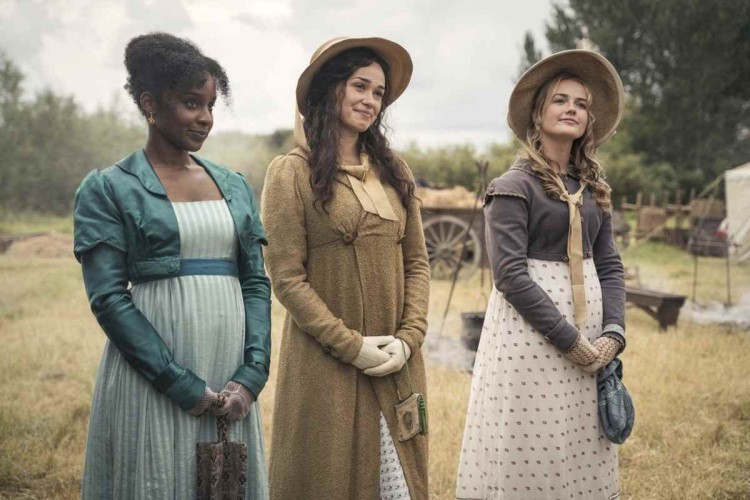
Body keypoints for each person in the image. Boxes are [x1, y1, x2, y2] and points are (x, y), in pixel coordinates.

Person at [73, 33, 271, 499]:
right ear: (150, 104)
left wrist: (252, 374)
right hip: (154, 373)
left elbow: (256, 282)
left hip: (229, 367)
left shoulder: (234, 185)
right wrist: (178, 382)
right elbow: (108, 297)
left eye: (210, 105)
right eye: (191, 103)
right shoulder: (109, 188)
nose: (205, 118)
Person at [261, 37, 430, 499]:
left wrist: (409, 338)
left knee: (398, 484)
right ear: (329, 87)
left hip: (395, 361)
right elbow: (287, 278)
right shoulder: (290, 173)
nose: (370, 100)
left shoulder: (395, 172)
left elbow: (417, 262)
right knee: (330, 480)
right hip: (327, 362)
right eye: (360, 86)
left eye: (379, 92)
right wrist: (350, 346)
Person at [456, 48, 627, 500]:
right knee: (534, 438)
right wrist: (569, 340)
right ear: (538, 113)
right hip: (530, 337)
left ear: (588, 121)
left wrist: (613, 332)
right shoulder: (513, 187)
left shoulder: (594, 189)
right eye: (560, 100)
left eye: (581, 104)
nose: (572, 109)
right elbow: (510, 276)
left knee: (578, 439)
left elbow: (609, 264)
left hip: (592, 333)